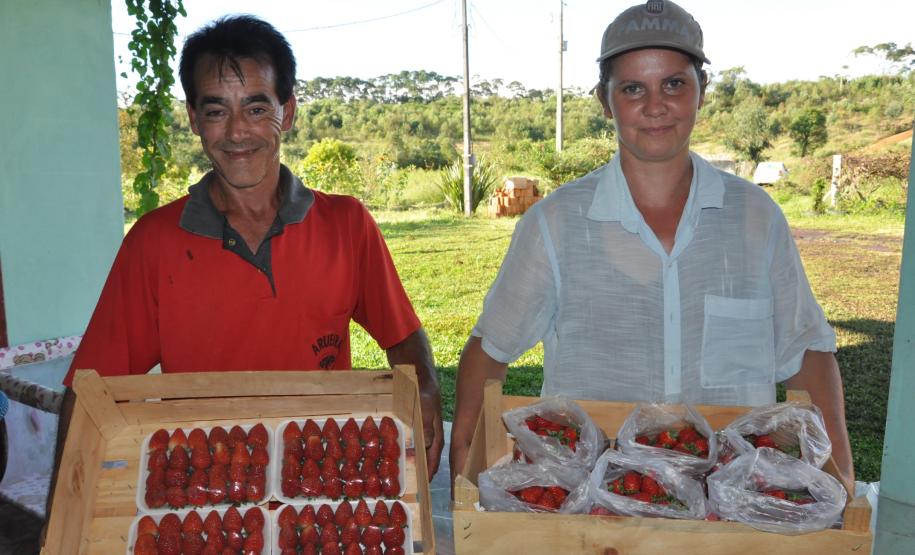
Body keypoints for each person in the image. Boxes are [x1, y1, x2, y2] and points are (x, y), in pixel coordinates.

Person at [450, 0, 853, 490]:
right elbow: (489, 351)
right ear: (605, 101)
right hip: (596, 501)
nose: (655, 105)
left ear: (702, 92)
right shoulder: (554, 225)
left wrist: (843, 485)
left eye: (674, 84)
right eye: (633, 88)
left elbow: (807, 354)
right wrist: (465, 484)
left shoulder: (754, 217)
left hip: (730, 501)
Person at [54, 15, 443, 486]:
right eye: (217, 111)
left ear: (289, 112)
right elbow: (89, 393)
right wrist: (60, 521)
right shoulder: (153, 243)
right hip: (205, 489)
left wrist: (426, 384)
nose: (238, 133)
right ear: (195, 119)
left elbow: (401, 334)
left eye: (257, 109)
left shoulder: (347, 224)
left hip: (320, 481)